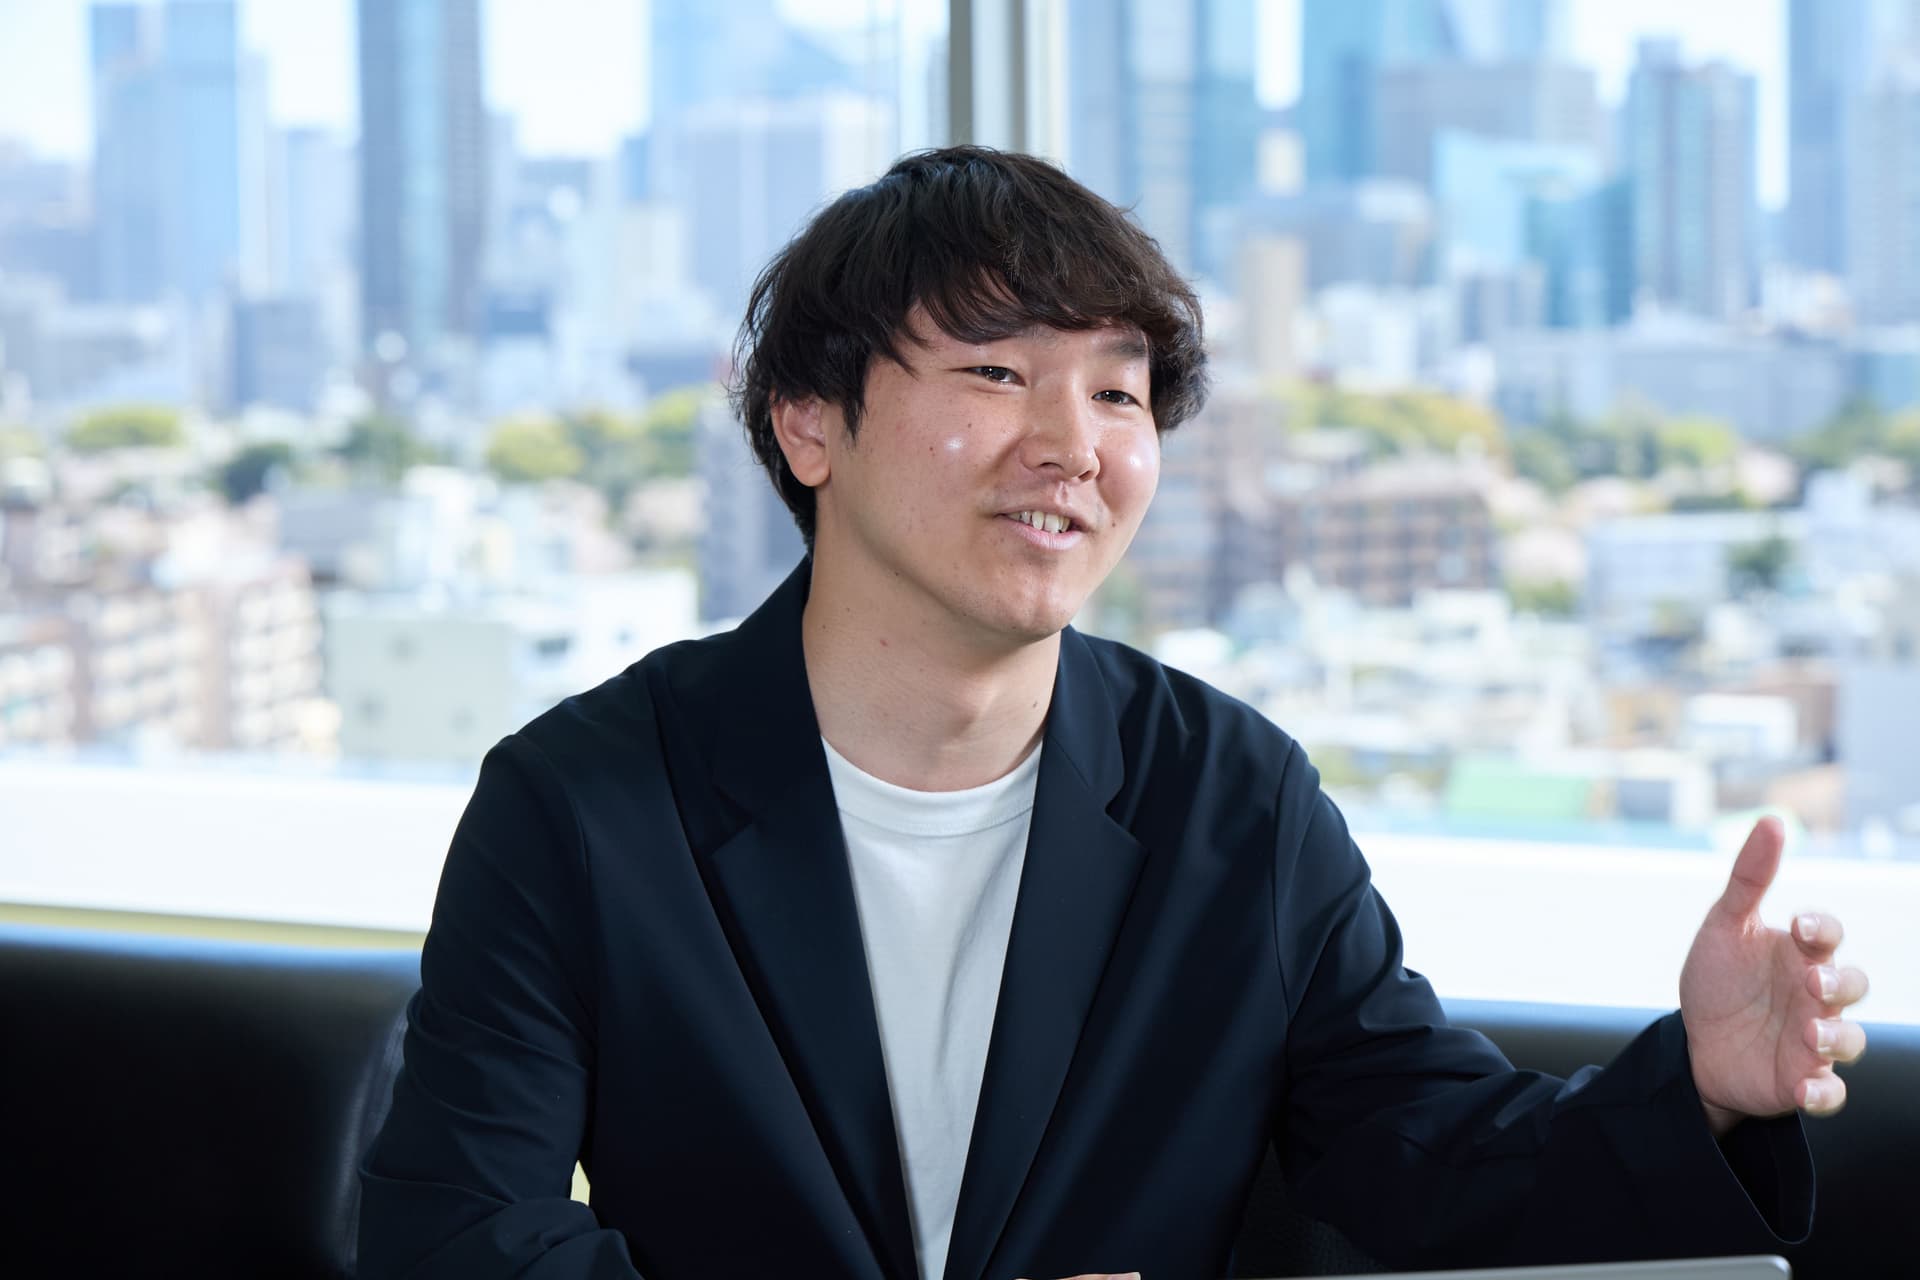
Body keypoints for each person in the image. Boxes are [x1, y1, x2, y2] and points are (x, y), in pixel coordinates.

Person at [358, 147, 1869, 1280]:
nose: (1068, 446)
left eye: (1120, 395)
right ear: (806, 422)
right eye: (998, 372)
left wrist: (1709, 1092)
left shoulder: (1232, 799)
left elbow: (1432, 1158)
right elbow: (454, 1241)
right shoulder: (584, 802)